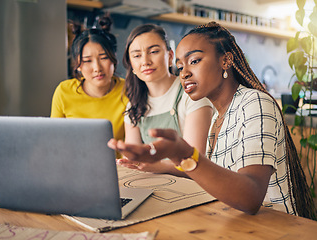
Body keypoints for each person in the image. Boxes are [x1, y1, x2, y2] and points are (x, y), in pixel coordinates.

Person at [108, 22, 316, 219]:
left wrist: (184, 155)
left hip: (275, 227)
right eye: (180, 67)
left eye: (195, 61)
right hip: (231, 221)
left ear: (225, 60)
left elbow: (251, 197)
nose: (185, 73)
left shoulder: (255, 103)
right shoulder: (217, 117)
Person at [116, 23, 213, 175]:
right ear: (131, 65)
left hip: (194, 188)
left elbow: (195, 162)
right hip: (156, 186)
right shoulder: (133, 104)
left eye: (153, 51)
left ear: (170, 56)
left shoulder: (191, 94)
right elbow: (132, 156)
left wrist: (155, 166)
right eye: (136, 55)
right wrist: (128, 162)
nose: (145, 61)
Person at [51, 15, 128, 145]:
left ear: (114, 58)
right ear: (78, 66)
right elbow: (53, 139)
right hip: (73, 163)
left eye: (103, 58)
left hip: (117, 165)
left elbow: (133, 142)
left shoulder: (129, 89)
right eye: (87, 61)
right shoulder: (64, 91)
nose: (97, 68)